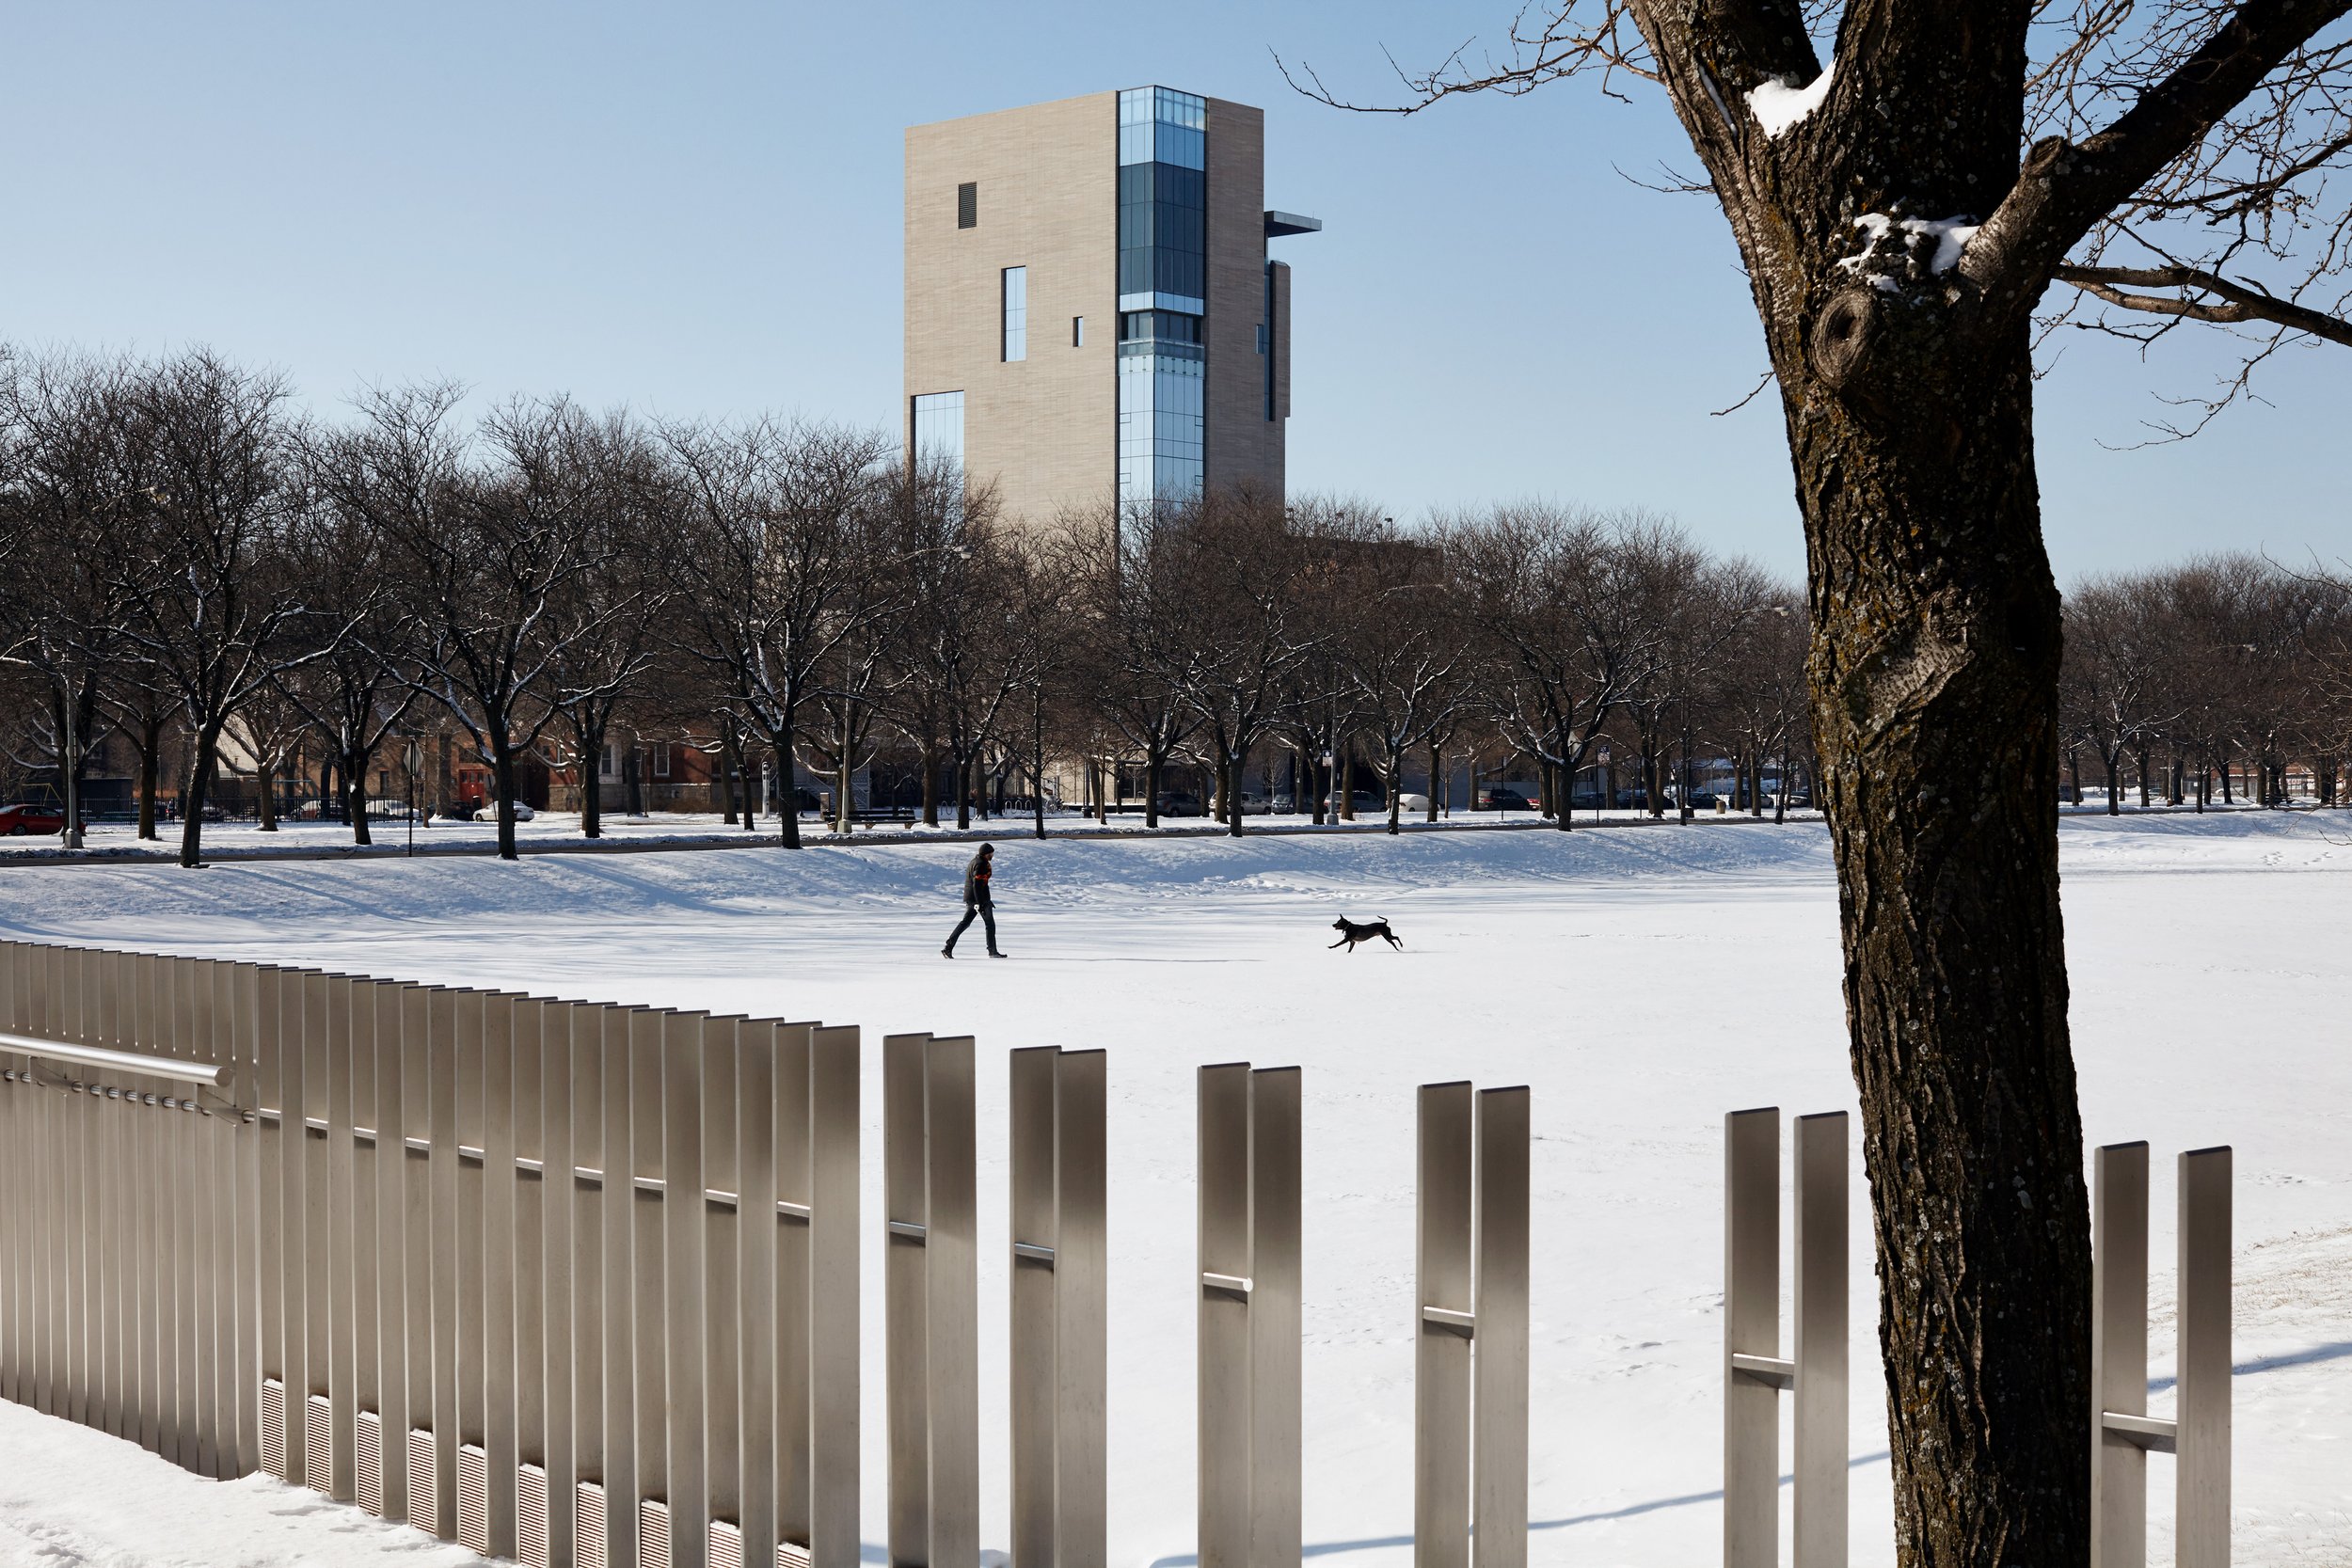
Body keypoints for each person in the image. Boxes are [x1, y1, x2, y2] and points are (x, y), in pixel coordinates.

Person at [943, 843, 1005, 958]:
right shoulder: (980, 864)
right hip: (979, 899)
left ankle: (948, 947)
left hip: (974, 898)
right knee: (990, 924)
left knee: (965, 923)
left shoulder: (975, 861)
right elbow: (977, 885)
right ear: (986, 854)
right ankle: (992, 951)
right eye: (991, 853)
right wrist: (979, 903)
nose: (992, 855)